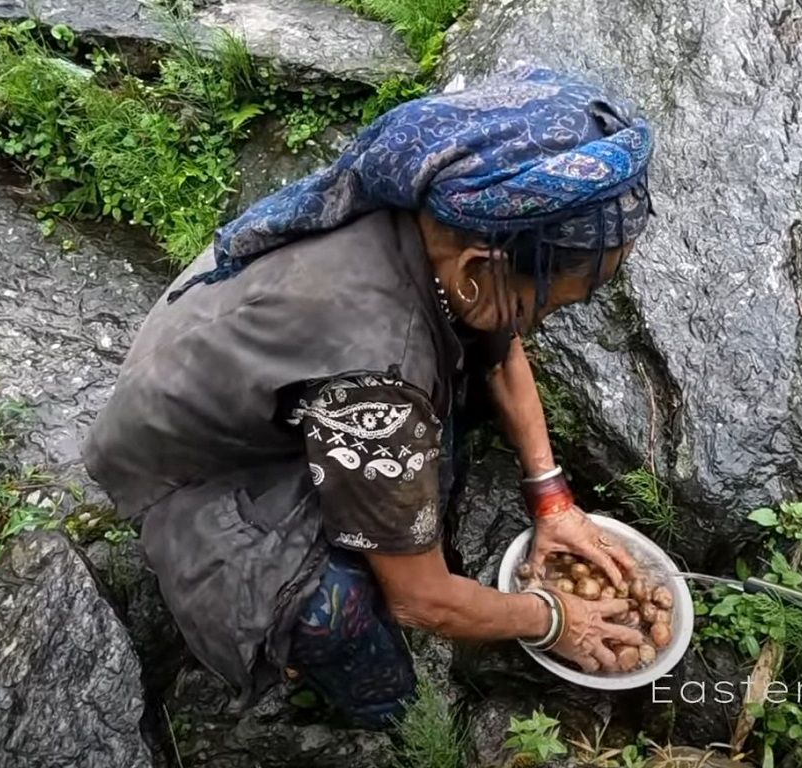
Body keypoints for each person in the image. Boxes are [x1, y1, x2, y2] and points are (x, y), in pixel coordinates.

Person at [82, 66, 655, 728]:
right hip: (193, 472)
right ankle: (386, 712)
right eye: (553, 300)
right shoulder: (381, 366)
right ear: (479, 269)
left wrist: (552, 499)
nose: (546, 319)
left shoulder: (433, 207)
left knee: (437, 417)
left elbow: (499, 339)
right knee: (336, 612)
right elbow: (423, 601)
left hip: (234, 364)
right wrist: (556, 618)